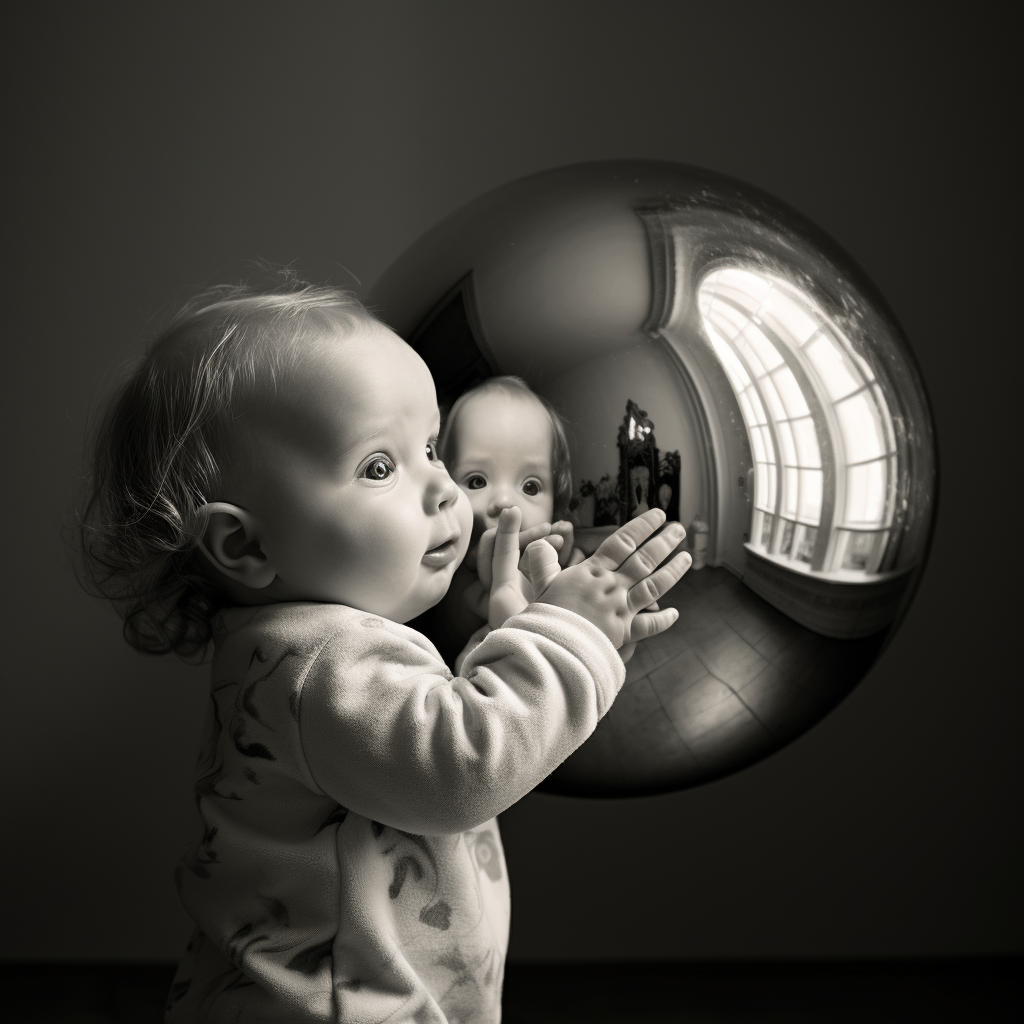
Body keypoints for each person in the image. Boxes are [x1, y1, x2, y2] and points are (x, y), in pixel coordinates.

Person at [78, 278, 690, 1024]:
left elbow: (407, 754)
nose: (441, 489)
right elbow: (461, 767)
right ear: (245, 543)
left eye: (430, 448)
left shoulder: (302, 654)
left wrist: (508, 640)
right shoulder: (324, 667)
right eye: (379, 466)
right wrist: (570, 637)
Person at [418, 376, 586, 665]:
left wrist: (572, 582)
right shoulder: (446, 571)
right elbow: (440, 637)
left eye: (530, 486)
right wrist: (479, 603)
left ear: (554, 504)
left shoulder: (561, 560)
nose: (505, 501)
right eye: (477, 481)